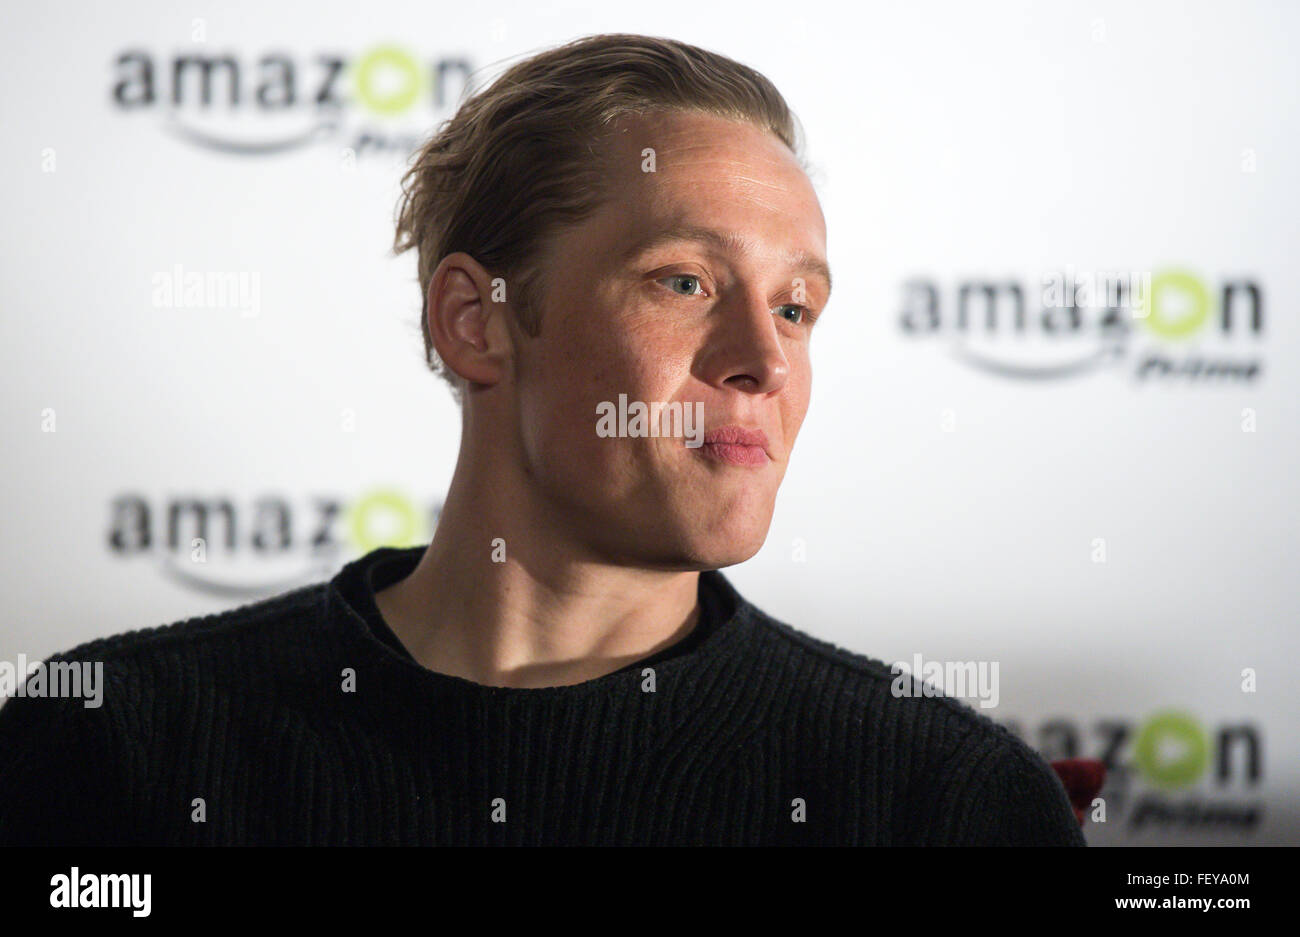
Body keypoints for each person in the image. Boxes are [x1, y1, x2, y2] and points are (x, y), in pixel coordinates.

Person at [0, 33, 1083, 846]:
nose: (766, 358)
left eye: (797, 306)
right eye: (685, 281)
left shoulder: (942, 802)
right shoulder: (114, 745)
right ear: (477, 322)